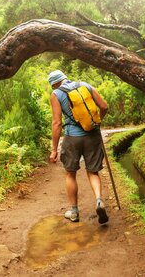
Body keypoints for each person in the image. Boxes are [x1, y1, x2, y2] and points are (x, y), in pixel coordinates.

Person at [47, 70, 109, 224]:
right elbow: (104, 106)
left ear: (54, 84)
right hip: (92, 135)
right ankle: (99, 200)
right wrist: (95, 123)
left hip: (72, 137)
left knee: (70, 173)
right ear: (65, 78)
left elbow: (57, 123)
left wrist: (54, 149)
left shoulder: (56, 94)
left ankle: (74, 212)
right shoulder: (85, 85)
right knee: (92, 171)